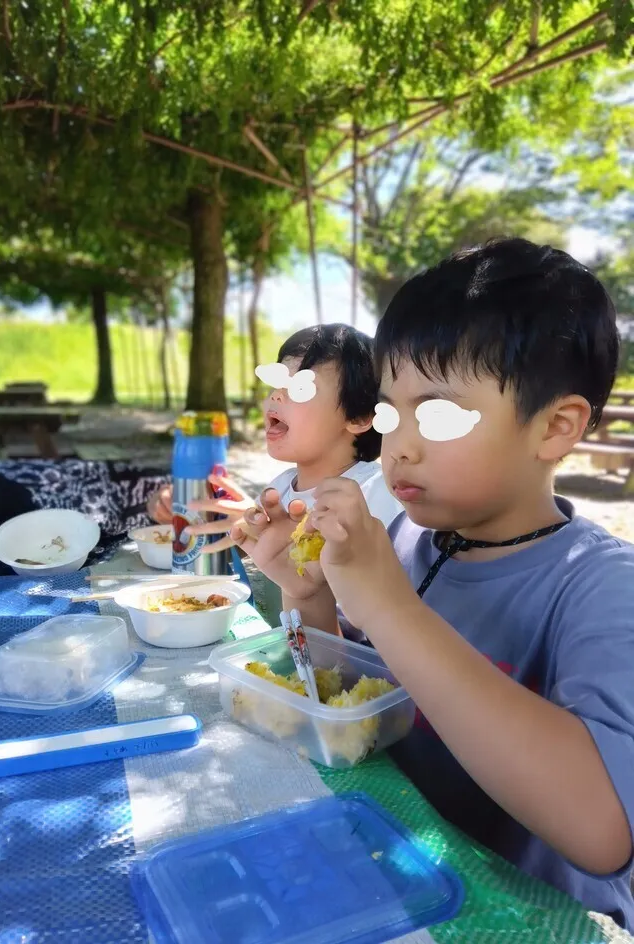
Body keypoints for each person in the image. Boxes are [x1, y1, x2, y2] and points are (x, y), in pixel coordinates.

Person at [232, 238, 634, 930]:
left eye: (440, 414)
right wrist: (307, 597)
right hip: (400, 882)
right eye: (390, 414)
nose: (400, 446)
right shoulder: (404, 546)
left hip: (531, 921)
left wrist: (388, 606)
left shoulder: (601, 589)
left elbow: (603, 832)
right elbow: (340, 705)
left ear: (556, 427)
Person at [147, 324, 401, 549]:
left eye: (300, 388)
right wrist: (184, 507)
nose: (277, 395)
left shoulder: (374, 493)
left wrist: (270, 533)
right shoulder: (279, 489)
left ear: (358, 417)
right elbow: (240, 538)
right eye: (277, 382)